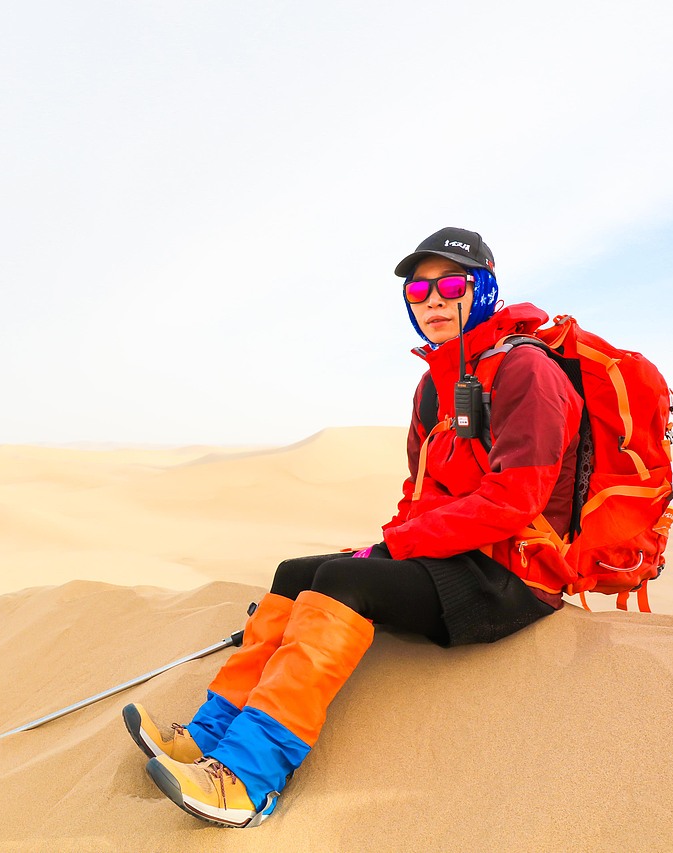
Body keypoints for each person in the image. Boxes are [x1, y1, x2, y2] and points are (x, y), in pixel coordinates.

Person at [122, 226, 584, 828]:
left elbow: (515, 501)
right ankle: (210, 736)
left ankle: (247, 779)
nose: (434, 300)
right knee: (298, 572)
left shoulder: (528, 372)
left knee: (345, 581)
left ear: (485, 288)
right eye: (420, 289)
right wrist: (389, 543)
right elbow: (417, 495)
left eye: (452, 284)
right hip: (456, 557)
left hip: (516, 574)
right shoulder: (433, 386)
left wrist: (395, 547)